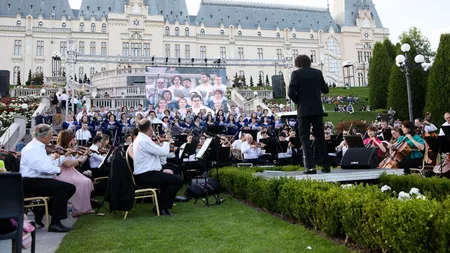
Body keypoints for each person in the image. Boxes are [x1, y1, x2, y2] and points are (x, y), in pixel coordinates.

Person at [20, 124, 76, 232]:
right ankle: (55, 223)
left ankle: (41, 209)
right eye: (50, 135)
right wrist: (59, 170)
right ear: (43, 137)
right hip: (30, 182)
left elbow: (49, 164)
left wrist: (63, 157)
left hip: (38, 180)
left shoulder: (40, 147)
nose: (52, 138)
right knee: (62, 188)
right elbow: (42, 168)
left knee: (70, 188)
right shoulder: (31, 149)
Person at [288, 55, 330, 174]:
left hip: (303, 110)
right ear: (309, 62)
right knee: (320, 137)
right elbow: (326, 90)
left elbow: (291, 92)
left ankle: (310, 166)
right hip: (317, 109)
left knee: (304, 138)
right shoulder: (317, 73)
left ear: (298, 63)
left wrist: (298, 101)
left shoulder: (296, 74)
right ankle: (326, 165)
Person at [133, 119, 183, 216]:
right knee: (178, 181)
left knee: (169, 181)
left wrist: (160, 145)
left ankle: (159, 207)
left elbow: (159, 154)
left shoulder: (142, 139)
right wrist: (166, 142)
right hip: (145, 175)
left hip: (147, 173)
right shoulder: (144, 141)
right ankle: (163, 207)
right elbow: (163, 152)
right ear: (149, 128)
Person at [54, 130, 94, 216]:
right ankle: (75, 209)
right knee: (80, 182)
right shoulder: (58, 150)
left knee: (86, 181)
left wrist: (85, 155)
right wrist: (78, 159)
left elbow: (77, 162)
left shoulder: (67, 150)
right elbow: (68, 164)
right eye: (72, 140)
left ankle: (84, 208)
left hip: (71, 172)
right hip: (62, 173)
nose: (74, 142)